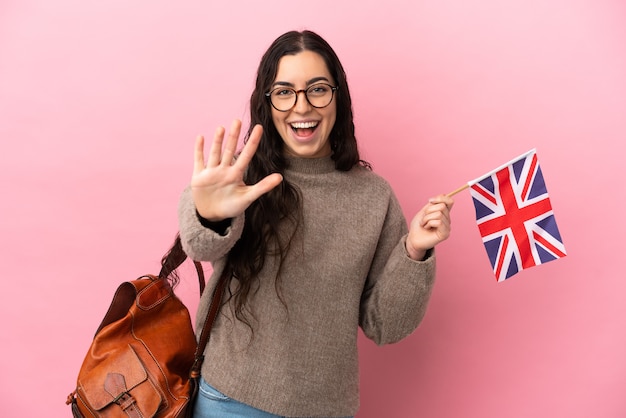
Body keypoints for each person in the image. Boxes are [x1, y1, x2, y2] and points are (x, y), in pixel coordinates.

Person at [177, 30, 454, 418]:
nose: (301, 107)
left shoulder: (373, 196)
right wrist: (209, 212)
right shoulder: (239, 177)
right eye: (285, 92)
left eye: (317, 89)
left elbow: (384, 325)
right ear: (267, 102)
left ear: (337, 96)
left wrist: (415, 251)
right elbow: (200, 247)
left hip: (326, 408)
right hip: (232, 399)